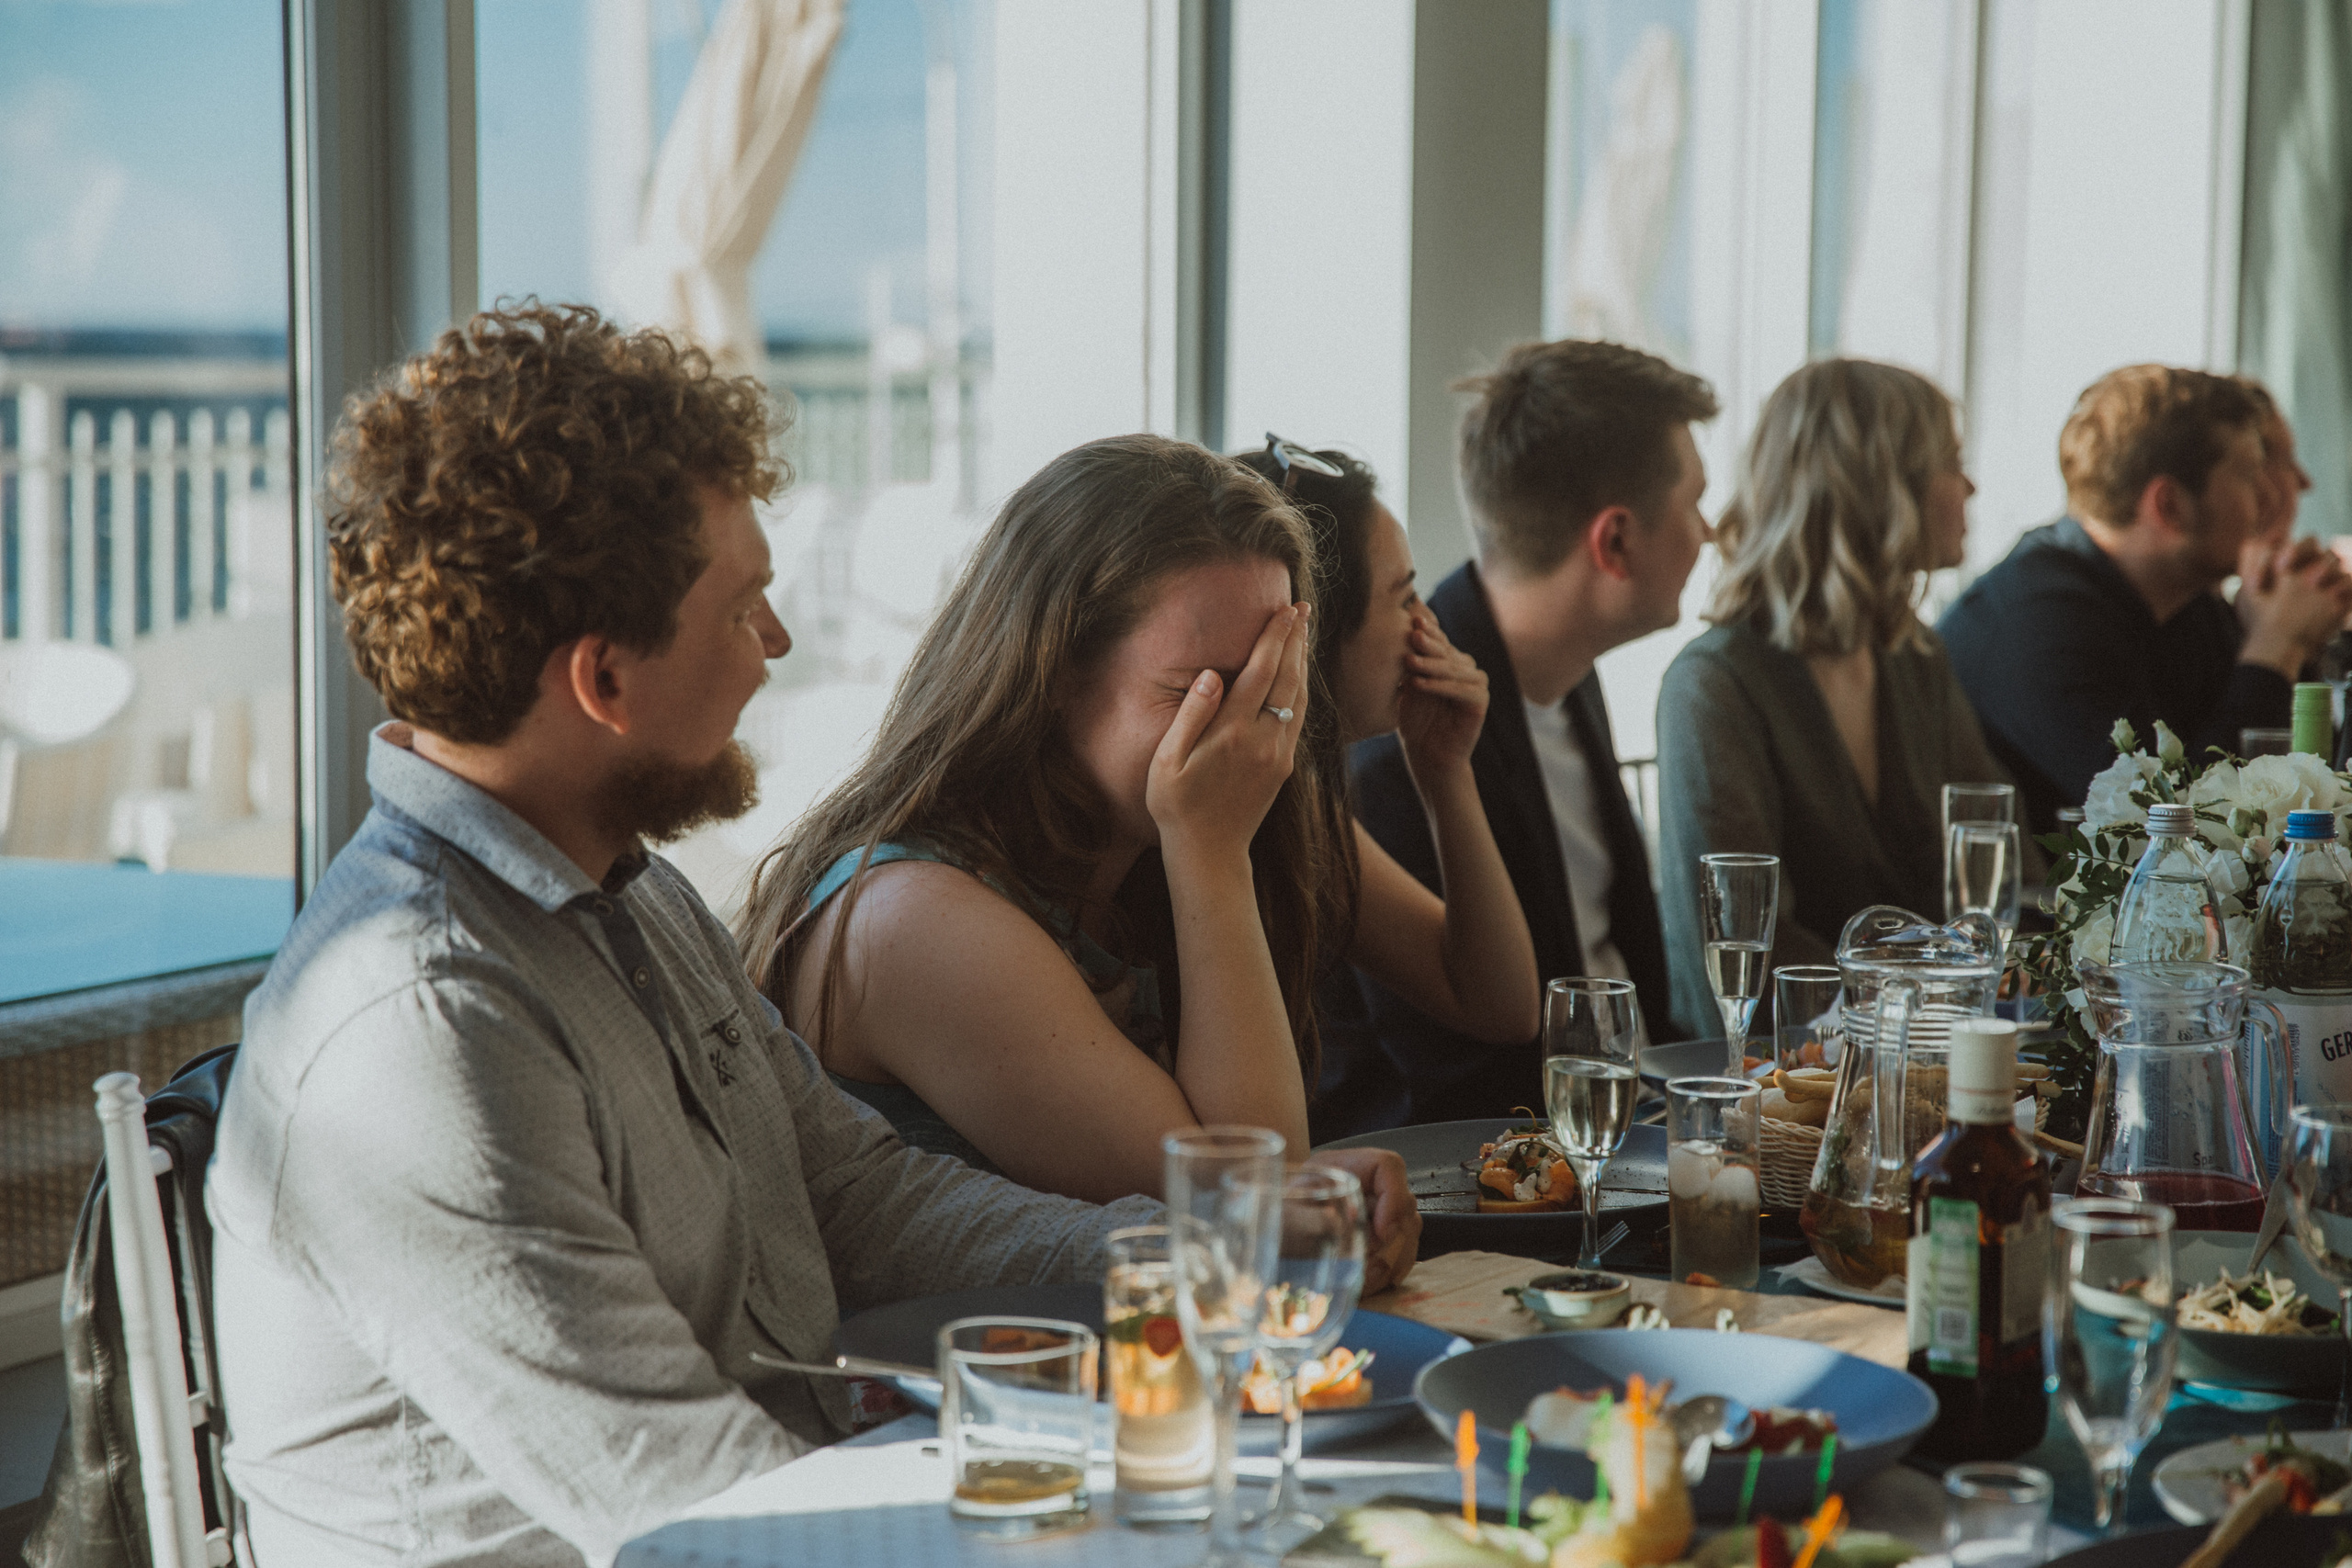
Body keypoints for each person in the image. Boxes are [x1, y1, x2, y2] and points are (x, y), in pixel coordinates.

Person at [205, 307, 1417, 1568]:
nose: (776, 646)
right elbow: (686, 1497)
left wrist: (1215, 1254)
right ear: (603, 681)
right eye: (743, 610)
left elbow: (855, 1191)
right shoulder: (422, 1028)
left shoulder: (630, 894)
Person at [739, 434, 1429, 1194]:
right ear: (1054, 674)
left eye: (1270, 688)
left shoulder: (1130, 870)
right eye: (1200, 689)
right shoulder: (913, 916)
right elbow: (1242, 1206)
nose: (1247, 736)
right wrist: (1213, 850)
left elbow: (1260, 1181)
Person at [1350, 339, 1720, 1124]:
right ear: (1614, 541)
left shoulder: (1571, 666)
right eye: (1694, 502)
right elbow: (1449, 1073)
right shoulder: (1398, 724)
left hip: (1642, 1117)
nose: (1709, 531)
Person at [1655, 359, 2014, 1030]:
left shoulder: (1915, 658)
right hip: (1784, 1090)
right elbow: (1738, 962)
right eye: (1951, 462)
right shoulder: (1714, 687)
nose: (1969, 485)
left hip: (1922, 1058)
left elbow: (1986, 876)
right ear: (1880, 488)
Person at [1231, 439, 1540, 1142]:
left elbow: (1501, 1003)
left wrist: (1446, 775)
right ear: (1318, 631)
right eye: (1405, 599)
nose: (1428, 628)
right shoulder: (1236, 802)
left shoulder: (1298, 806)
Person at [1939, 365, 2351, 835]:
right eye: (2246, 474)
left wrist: (2296, 642)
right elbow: (2171, 826)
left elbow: (2306, 798)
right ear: (2169, 506)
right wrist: (2276, 646)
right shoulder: (2036, 626)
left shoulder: (2188, 606)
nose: (2266, 495)